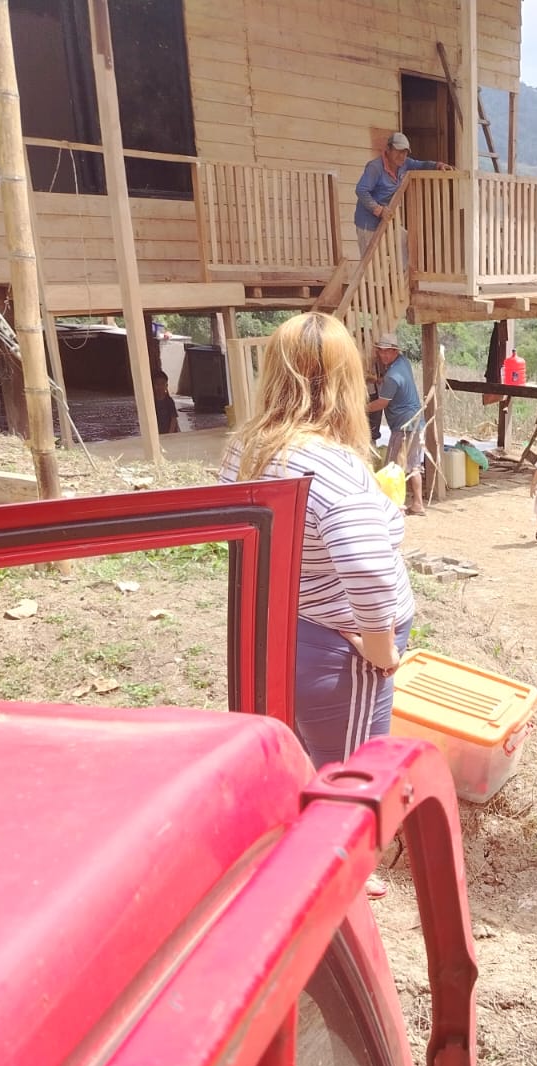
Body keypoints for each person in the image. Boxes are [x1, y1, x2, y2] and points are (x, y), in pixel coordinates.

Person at [219, 311, 415, 897]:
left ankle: (305, 845)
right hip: (342, 645)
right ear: (345, 381)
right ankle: (340, 873)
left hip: (285, 624)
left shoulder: (246, 450)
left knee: (306, 750)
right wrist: (380, 647)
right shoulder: (336, 468)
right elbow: (368, 569)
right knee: (349, 766)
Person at [354, 132, 453, 256]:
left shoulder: (404, 164)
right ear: (388, 149)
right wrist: (379, 210)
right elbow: (361, 190)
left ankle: (404, 270)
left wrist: (438, 165)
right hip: (368, 224)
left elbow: (420, 164)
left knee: (405, 241)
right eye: (398, 151)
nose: (402, 156)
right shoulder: (375, 167)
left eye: (405, 152)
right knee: (371, 263)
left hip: (387, 221)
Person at [368, 329, 425, 515]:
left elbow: (382, 403)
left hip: (403, 425)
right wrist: (380, 380)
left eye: (388, 352)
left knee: (393, 468)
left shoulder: (392, 376)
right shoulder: (403, 363)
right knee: (413, 464)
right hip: (416, 422)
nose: (383, 355)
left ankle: (394, 506)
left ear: (395, 351)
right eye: (381, 351)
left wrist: (359, 408)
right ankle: (417, 504)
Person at [153, 369, 179, 434]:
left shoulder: (169, 401)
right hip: (158, 433)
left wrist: (170, 434)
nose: (160, 387)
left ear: (166, 386)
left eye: (162, 384)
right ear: (153, 385)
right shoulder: (152, 401)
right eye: (157, 384)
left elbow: (173, 419)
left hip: (170, 432)